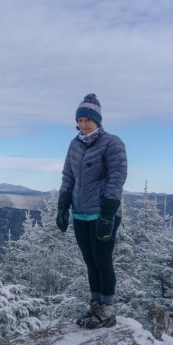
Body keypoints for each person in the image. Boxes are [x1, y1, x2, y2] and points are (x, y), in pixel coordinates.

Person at [56, 93, 127, 329]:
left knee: (103, 260)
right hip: (80, 213)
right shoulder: (74, 144)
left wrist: (108, 213)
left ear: (98, 120)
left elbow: (117, 178)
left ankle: (107, 310)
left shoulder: (112, 143)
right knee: (90, 261)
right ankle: (95, 306)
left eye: (89, 120)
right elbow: (68, 177)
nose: (84, 124)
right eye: (81, 120)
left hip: (102, 213)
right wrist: (62, 207)